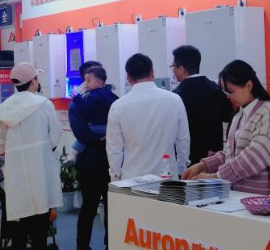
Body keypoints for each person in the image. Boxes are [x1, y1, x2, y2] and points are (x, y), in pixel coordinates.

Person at [0, 62, 62, 250]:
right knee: (38, 233)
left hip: (15, 178)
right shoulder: (44, 105)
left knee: (17, 228)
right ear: (34, 81)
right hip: (40, 177)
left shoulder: (5, 108)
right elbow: (55, 139)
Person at [182, 59, 270, 195]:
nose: (228, 97)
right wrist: (204, 165)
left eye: (231, 91)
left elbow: (255, 156)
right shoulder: (239, 115)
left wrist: (215, 176)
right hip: (239, 196)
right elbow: (230, 154)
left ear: (249, 85)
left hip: (264, 199)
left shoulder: (268, 110)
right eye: (226, 92)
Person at [106, 53, 190, 181]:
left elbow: (114, 149)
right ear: (152, 73)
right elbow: (183, 139)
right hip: (167, 177)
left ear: (128, 78)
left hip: (132, 179)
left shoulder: (118, 106)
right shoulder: (174, 100)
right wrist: (181, 169)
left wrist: (115, 177)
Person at [70, 65, 118, 250]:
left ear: (99, 81)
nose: (85, 84)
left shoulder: (81, 102)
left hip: (91, 162)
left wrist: (95, 139)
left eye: (88, 80)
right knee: (109, 208)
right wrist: (106, 138)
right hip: (110, 162)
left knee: (89, 210)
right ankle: (109, 249)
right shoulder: (115, 99)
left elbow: (81, 133)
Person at [171, 45, 232, 164]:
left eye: (173, 66)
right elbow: (228, 116)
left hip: (189, 159)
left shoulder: (176, 96)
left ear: (181, 69)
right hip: (215, 159)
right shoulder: (217, 89)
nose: (172, 70)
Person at [67, 60, 102, 163]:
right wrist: (102, 137)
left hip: (108, 157)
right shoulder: (77, 103)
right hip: (89, 158)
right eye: (99, 75)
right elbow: (81, 133)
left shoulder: (103, 95)